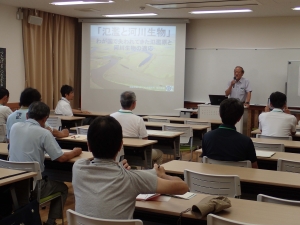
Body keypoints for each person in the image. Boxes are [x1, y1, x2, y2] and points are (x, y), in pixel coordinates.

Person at [72, 116, 188, 219]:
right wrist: (161, 174)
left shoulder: (78, 168)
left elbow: (92, 162)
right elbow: (182, 187)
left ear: (88, 146)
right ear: (120, 146)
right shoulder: (132, 178)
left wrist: (117, 166)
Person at [9, 101, 82, 225]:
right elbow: (61, 158)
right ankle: (50, 222)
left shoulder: (14, 127)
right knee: (63, 188)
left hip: (12, 184)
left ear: (27, 116)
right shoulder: (44, 133)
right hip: (33, 188)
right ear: (45, 119)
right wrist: (75, 151)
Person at [202, 98, 258, 168]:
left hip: (212, 177)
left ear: (220, 115)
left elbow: (203, 163)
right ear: (239, 118)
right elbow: (254, 168)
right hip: (239, 177)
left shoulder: (207, 137)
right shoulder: (246, 141)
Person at [110, 91, 164, 164]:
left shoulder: (111, 117)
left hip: (116, 154)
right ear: (134, 103)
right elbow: (145, 140)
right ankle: (154, 174)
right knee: (160, 153)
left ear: (120, 102)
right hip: (137, 155)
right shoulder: (138, 119)